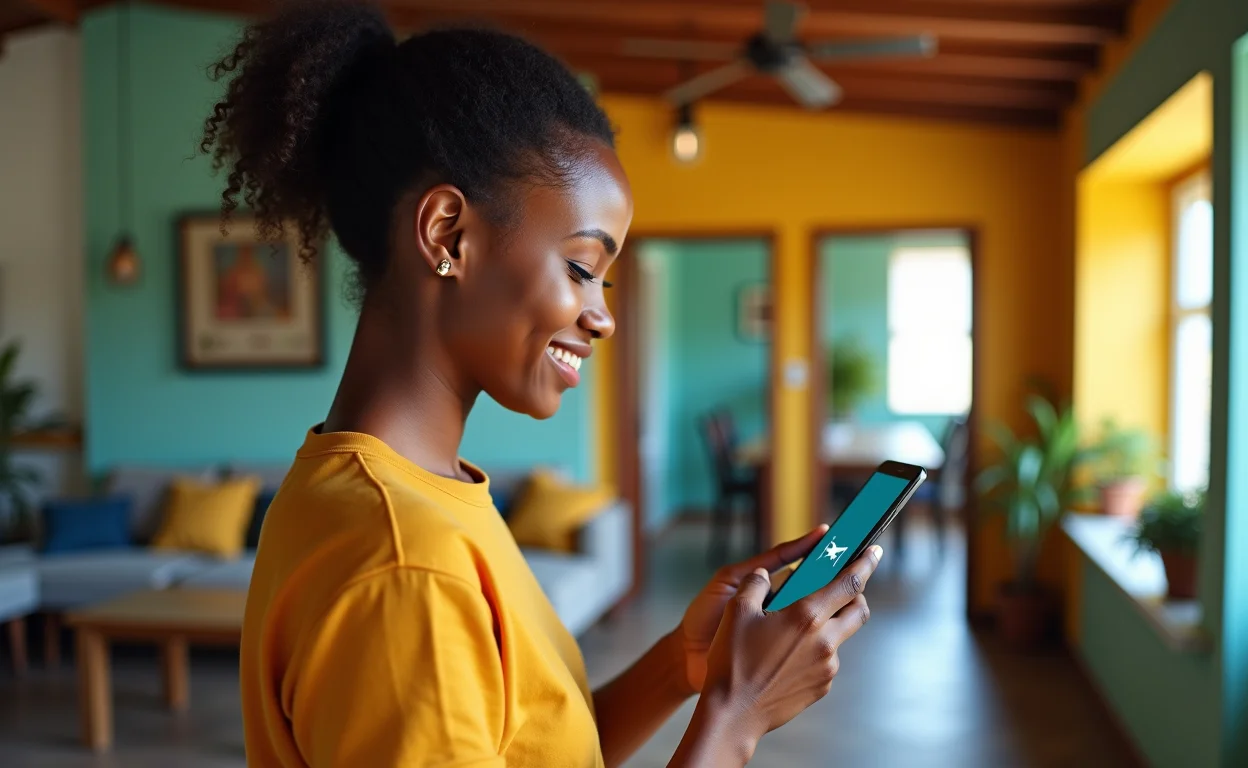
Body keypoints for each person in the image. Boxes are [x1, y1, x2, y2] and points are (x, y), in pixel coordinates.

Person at [201, 2, 882, 765]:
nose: (603, 318)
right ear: (447, 235)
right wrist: (736, 716)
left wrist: (680, 668)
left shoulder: (412, 494)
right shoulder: (404, 567)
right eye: (583, 269)